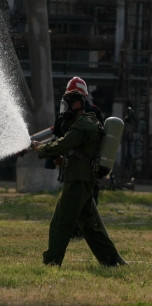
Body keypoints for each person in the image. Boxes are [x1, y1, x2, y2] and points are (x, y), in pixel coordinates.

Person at [32, 83, 125, 267]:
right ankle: (113, 262)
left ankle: (52, 262)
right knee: (91, 228)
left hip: (77, 181)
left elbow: (63, 144)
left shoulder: (82, 125)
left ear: (76, 104)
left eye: (67, 105)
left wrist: (40, 148)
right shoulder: (87, 123)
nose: (64, 109)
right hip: (81, 179)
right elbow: (76, 152)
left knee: (60, 222)